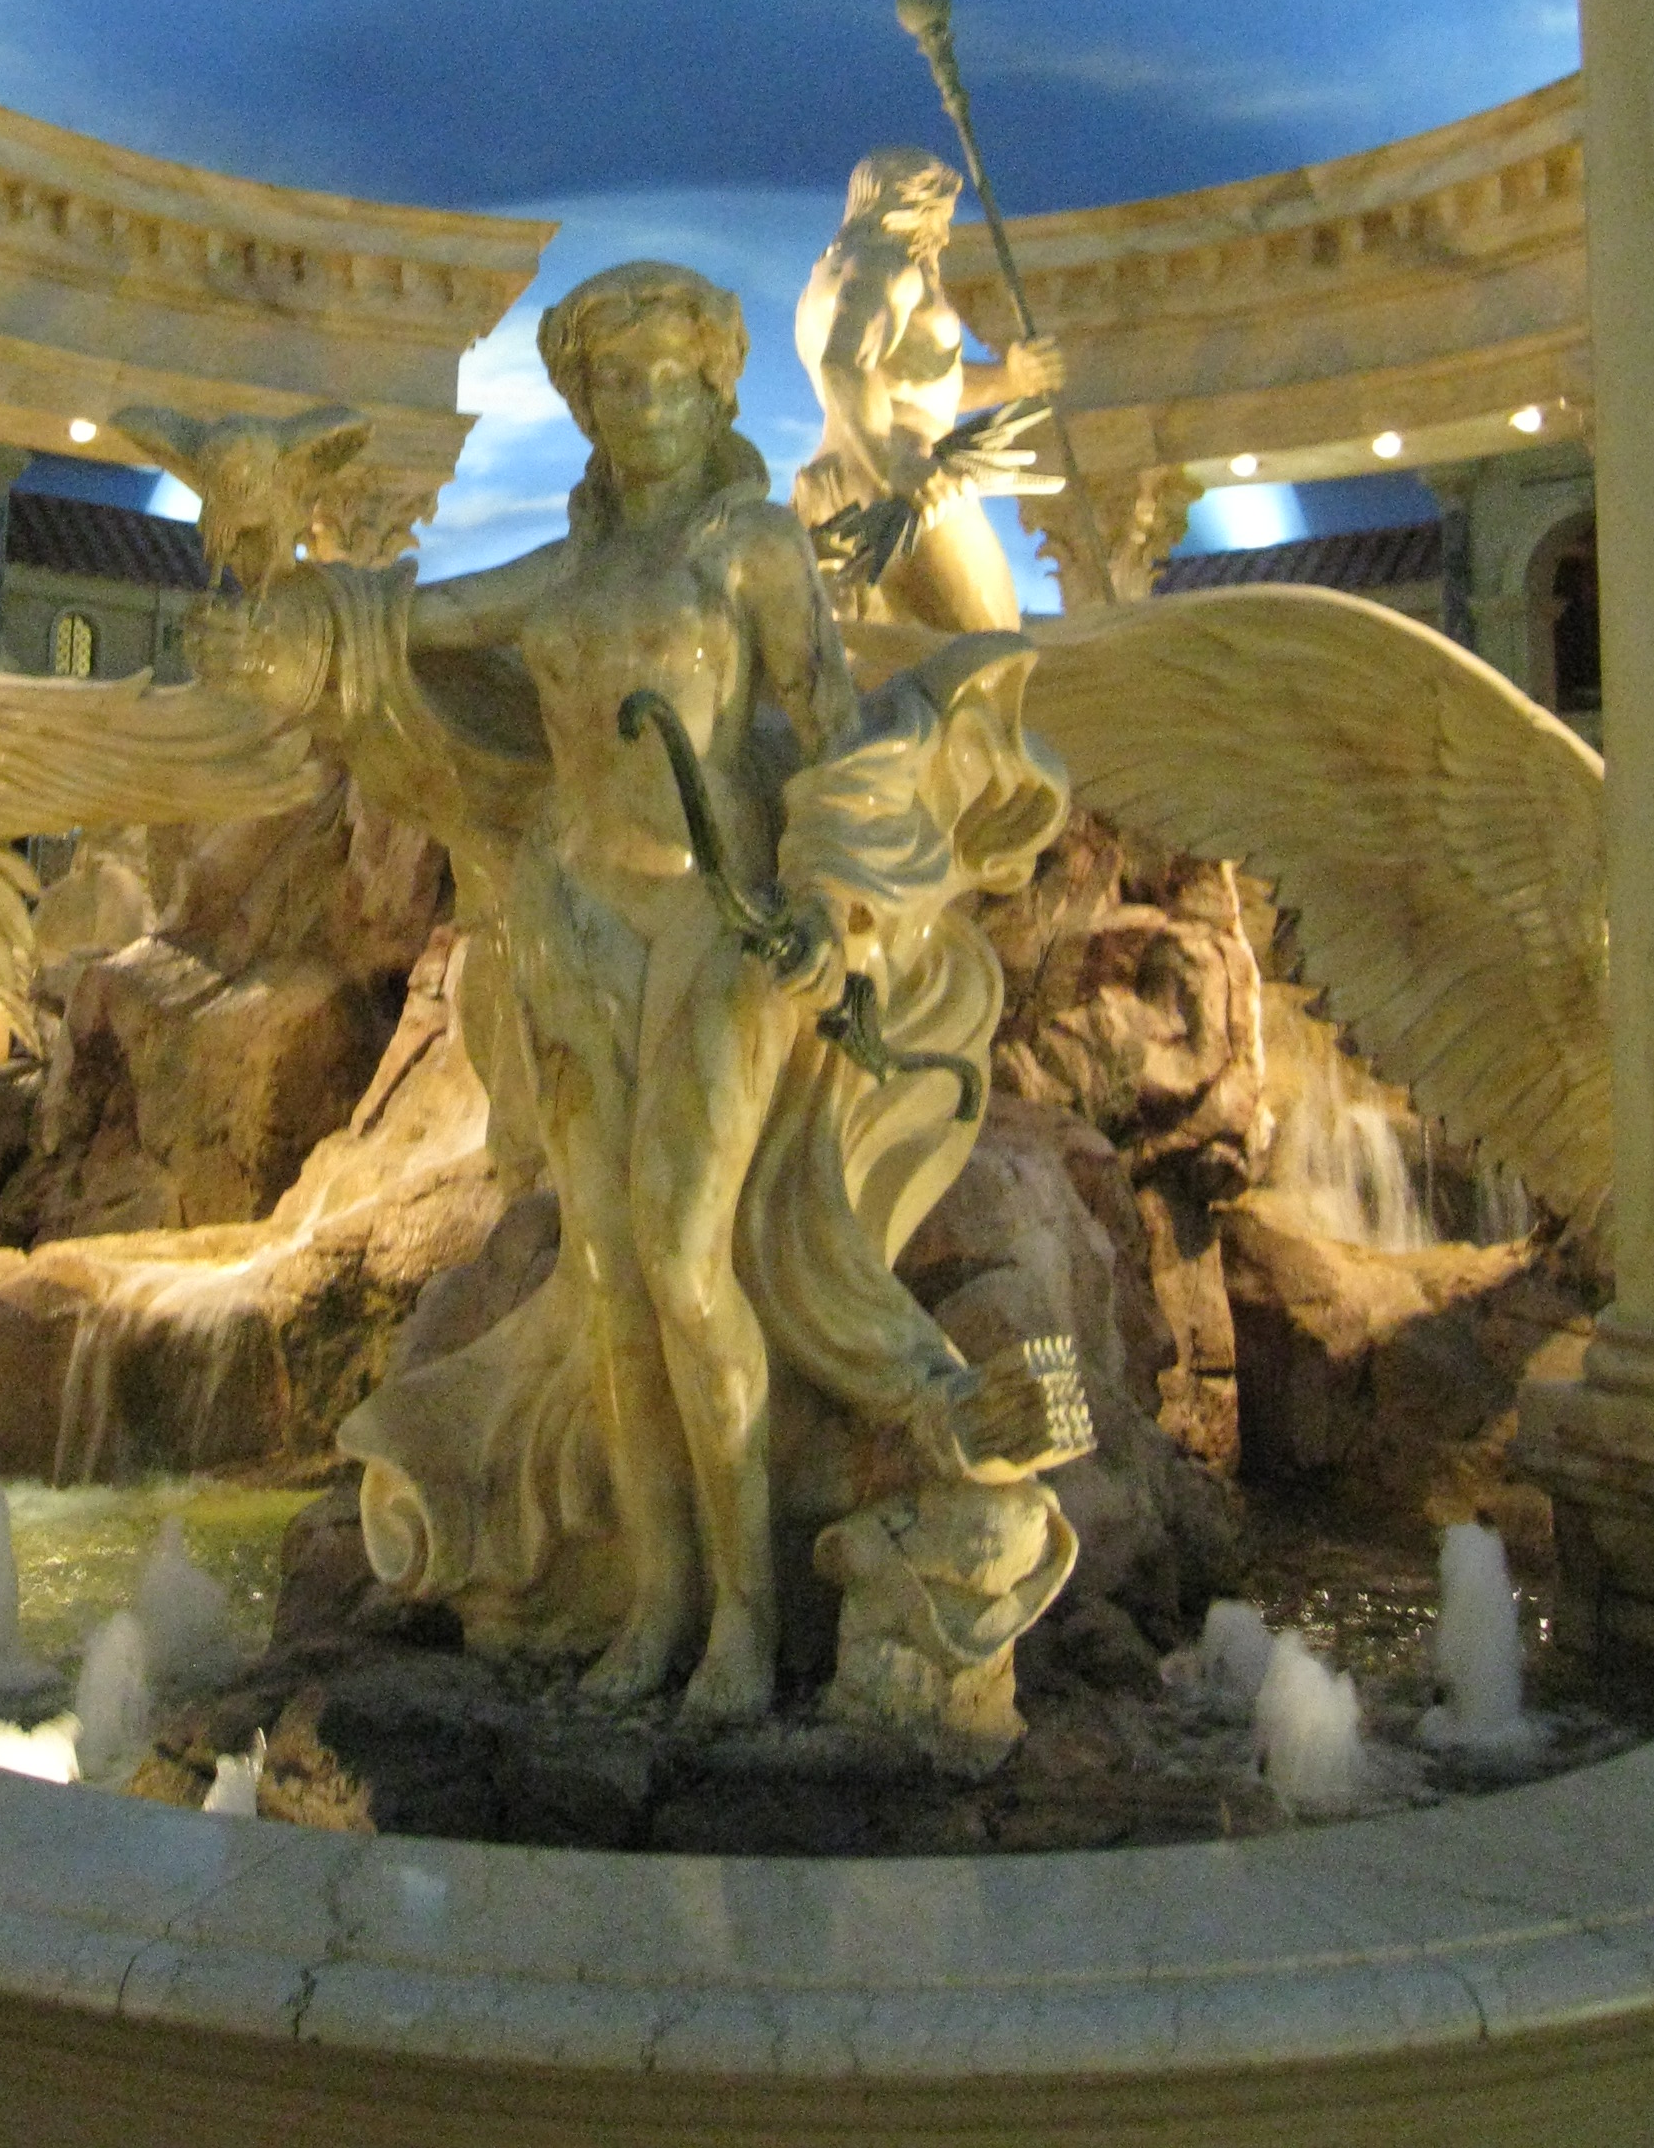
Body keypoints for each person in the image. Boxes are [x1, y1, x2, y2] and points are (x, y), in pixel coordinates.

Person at [197, 259, 1076, 1727]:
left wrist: (829, 908)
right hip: (571, 920)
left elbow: (834, 726)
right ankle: (656, 1597)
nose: (649, 404)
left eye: (675, 378)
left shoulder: (752, 548)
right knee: (608, 1273)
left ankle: (744, 1615)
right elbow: (405, 619)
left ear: (719, 392)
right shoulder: (566, 568)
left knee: (680, 1257)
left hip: (712, 920)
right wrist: (290, 621)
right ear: (587, 403)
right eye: (619, 381)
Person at [793, 146, 1065, 631]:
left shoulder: (831, 271)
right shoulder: (887, 265)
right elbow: (844, 365)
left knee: (890, 654)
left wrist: (1010, 379)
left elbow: (913, 385)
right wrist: (894, 466)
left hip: (837, 476)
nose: (944, 232)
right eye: (940, 213)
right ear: (909, 205)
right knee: (996, 648)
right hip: (900, 482)